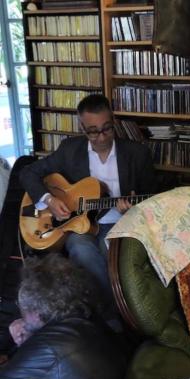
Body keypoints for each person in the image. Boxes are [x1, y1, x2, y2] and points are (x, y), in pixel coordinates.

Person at [19, 94, 156, 325]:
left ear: (113, 121)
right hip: (80, 225)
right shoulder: (69, 150)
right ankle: (113, 322)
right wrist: (49, 200)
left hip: (119, 222)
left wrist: (131, 210)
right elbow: (27, 173)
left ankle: (111, 322)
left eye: (107, 129)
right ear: (82, 127)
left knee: (108, 252)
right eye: (93, 131)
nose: (101, 137)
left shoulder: (137, 154)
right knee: (82, 251)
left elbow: (152, 196)